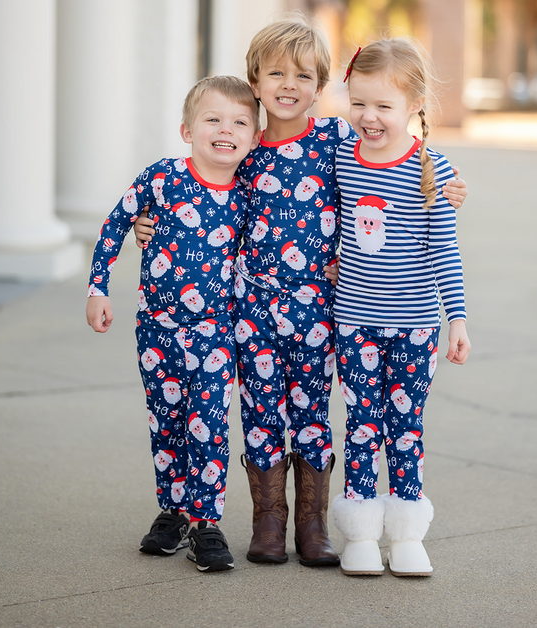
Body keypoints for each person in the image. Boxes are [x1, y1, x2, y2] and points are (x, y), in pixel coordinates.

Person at [134, 14, 468, 569]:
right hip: (251, 310)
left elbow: (393, 162)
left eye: (303, 76)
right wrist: (150, 222)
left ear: (321, 85)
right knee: (261, 414)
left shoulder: (337, 139)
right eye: (275, 75)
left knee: (313, 414)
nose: (288, 86)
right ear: (255, 81)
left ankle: (313, 526)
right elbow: (196, 189)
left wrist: (446, 183)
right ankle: (269, 522)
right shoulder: (239, 145)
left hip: (319, 308)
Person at [86, 75, 261, 572]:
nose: (225, 130)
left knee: (208, 425)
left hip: (218, 333)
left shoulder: (250, 196)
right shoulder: (162, 178)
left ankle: (207, 522)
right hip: (156, 330)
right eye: (213, 120)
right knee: (167, 424)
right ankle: (174, 510)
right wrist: (98, 287)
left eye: (239, 123)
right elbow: (115, 222)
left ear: (252, 138)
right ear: (187, 129)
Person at [330, 38, 471, 577]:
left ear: (414, 107)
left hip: (415, 328)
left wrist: (456, 318)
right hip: (354, 323)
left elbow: (444, 252)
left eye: (383, 106)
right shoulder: (342, 156)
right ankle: (361, 534)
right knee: (362, 426)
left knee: (406, 428)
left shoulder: (431, 168)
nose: (368, 117)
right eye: (358, 102)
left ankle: (407, 533)